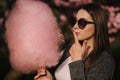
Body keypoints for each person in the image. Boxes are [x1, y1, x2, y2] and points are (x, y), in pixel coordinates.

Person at [34, 3, 115, 80]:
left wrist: (77, 61)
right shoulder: (69, 47)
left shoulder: (104, 60)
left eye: (82, 23)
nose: (75, 26)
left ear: (97, 25)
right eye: (74, 21)